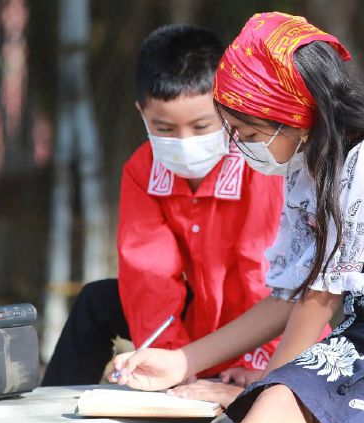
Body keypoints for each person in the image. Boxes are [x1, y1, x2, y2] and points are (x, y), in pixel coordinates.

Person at [110, 11, 364, 423]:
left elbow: (319, 301)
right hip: (358, 337)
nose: (241, 148)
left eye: (248, 134)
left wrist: (258, 389)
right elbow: (288, 297)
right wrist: (182, 361)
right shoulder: (302, 165)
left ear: (290, 113)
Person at [41, 24, 287, 388]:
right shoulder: (142, 169)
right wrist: (174, 363)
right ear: (142, 113)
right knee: (97, 299)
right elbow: (148, 276)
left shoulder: (260, 164)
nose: (184, 141)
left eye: (202, 125)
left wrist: (264, 361)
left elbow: (265, 274)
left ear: (229, 108)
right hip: (190, 325)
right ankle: (54, 412)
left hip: (258, 328)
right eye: (165, 129)